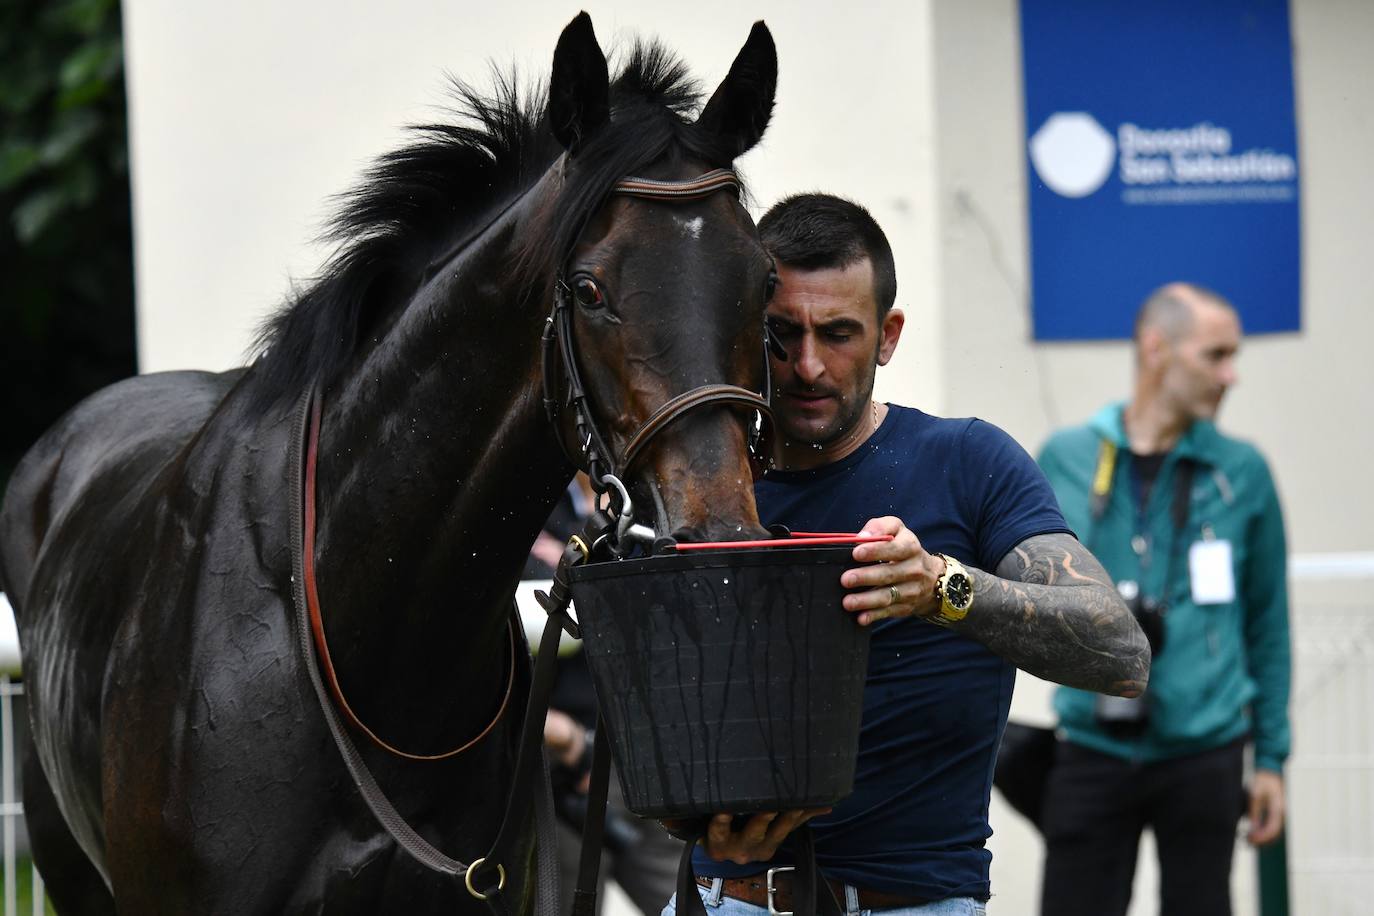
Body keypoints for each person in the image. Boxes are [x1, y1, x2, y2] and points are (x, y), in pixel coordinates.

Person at [665, 194, 1150, 915]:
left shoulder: (967, 462)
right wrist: (693, 815)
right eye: (779, 334)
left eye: (838, 334)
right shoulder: (702, 491)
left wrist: (942, 590)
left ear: (888, 336)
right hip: (721, 898)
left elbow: (1120, 652)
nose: (807, 365)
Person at [1035, 283, 1291, 916]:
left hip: (1206, 751)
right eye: (1216, 355)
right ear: (1156, 349)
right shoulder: (1065, 459)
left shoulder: (1243, 473)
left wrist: (1272, 759)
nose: (1231, 375)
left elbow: (1267, 623)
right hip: (1090, 746)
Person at [525, 476, 684, 915]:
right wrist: (554, 734)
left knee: (694, 900)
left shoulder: (651, 501)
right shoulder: (518, 499)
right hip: (557, 774)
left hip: (645, 757)